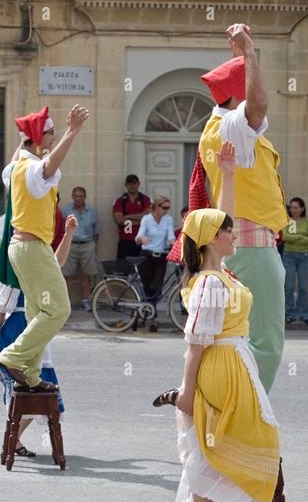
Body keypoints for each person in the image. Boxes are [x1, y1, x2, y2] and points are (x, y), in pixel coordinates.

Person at [155, 142, 280, 502]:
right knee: (210, 457)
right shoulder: (208, 282)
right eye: (227, 232)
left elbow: (214, 221)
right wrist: (187, 392)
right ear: (212, 241)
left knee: (210, 457)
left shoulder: (218, 272)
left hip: (234, 366)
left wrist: (226, 175)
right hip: (217, 372)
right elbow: (196, 342)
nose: (234, 233)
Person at [168, 23, 289, 394]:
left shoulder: (221, 126)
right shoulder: (234, 125)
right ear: (240, 94)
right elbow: (259, 104)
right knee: (266, 344)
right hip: (252, 244)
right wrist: (249, 52)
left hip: (244, 241)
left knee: (236, 337)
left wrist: (244, 57)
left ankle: (221, 406)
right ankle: (247, 415)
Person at [0, 104, 89, 391]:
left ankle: (31, 374)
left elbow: (19, 158)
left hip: (22, 248)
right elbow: (48, 166)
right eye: (49, 132)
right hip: (32, 249)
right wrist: (72, 132)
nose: (52, 136)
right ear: (36, 138)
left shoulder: (14, 169)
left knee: (38, 312)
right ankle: (12, 356)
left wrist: (28, 134)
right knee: (59, 309)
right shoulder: (34, 169)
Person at [0, 214, 77, 455]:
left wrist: (69, 234)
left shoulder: (36, 263)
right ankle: (13, 440)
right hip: (16, 334)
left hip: (36, 331)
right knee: (27, 393)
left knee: (39, 391)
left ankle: (13, 439)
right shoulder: (10, 272)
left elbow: (56, 263)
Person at [135, 196, 175, 332]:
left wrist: (175, 245)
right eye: (164, 208)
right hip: (147, 256)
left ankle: (149, 317)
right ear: (156, 207)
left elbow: (170, 237)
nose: (166, 211)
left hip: (161, 257)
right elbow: (138, 237)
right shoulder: (147, 219)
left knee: (156, 287)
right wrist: (142, 238)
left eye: (168, 208)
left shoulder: (168, 220)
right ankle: (151, 318)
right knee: (145, 288)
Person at [62, 186, 100, 312]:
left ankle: (86, 301)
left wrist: (93, 244)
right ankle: (67, 302)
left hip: (87, 244)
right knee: (67, 275)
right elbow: (61, 228)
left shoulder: (91, 211)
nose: (78, 199)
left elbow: (96, 230)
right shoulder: (66, 210)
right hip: (71, 245)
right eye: (76, 196)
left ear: (84, 197)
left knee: (86, 276)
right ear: (73, 197)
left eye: (81, 196)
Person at [282, 197, 308, 325]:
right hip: (289, 255)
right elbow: (284, 236)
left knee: (303, 286)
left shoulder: (307, 222)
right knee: (288, 286)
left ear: (302, 208)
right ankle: (289, 313)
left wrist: (294, 238)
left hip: (303, 257)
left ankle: (304, 314)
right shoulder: (287, 221)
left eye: (296, 207)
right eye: (292, 208)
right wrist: (301, 236)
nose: (294, 210)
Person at [113, 175, 151, 259]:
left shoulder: (145, 199)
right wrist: (140, 220)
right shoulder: (120, 200)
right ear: (126, 185)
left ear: (138, 184)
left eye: (134, 183)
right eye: (129, 184)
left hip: (142, 240)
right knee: (123, 269)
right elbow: (119, 220)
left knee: (143, 269)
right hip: (125, 241)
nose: (132, 186)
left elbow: (148, 217)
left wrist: (127, 216)